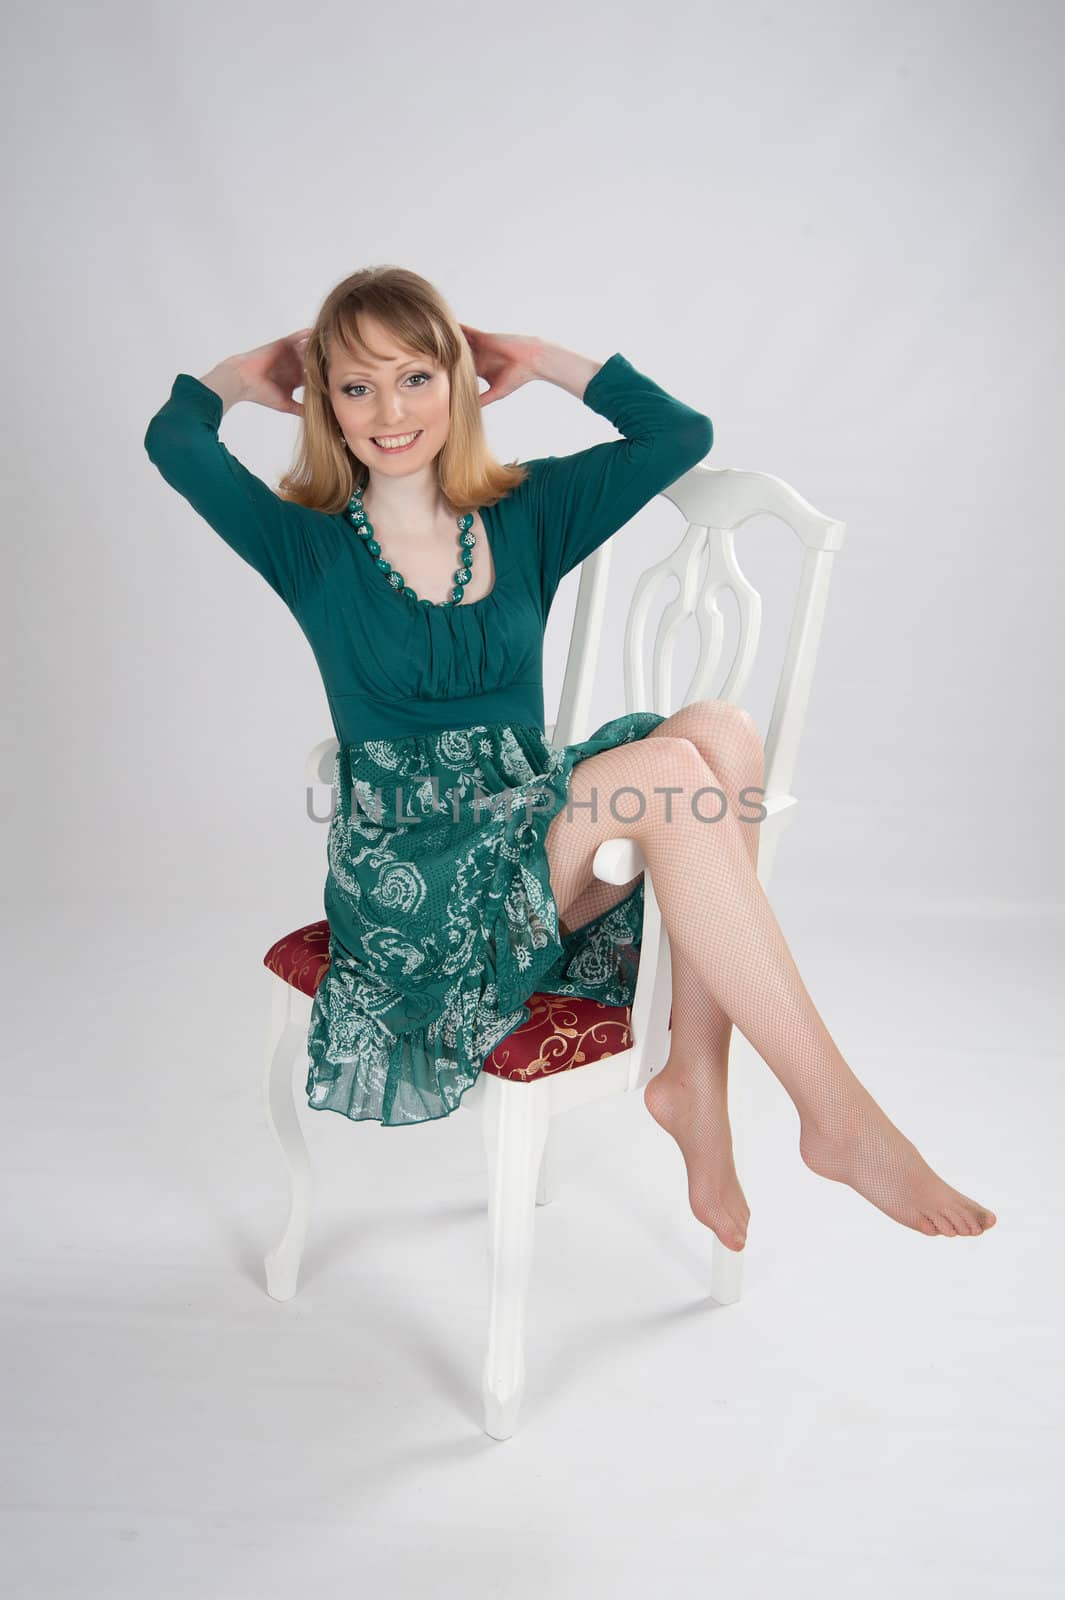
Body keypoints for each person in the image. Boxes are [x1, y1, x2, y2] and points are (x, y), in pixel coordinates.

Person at [143, 264, 996, 1252]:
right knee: (672, 772)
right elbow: (174, 440)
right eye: (357, 385)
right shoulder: (310, 548)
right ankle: (838, 1116)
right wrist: (247, 373)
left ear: (458, 384)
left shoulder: (528, 514)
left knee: (721, 730)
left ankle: (697, 1083)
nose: (390, 410)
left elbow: (681, 436)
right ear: (327, 406)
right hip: (414, 889)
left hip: (525, 838)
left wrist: (539, 360)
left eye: (417, 376)